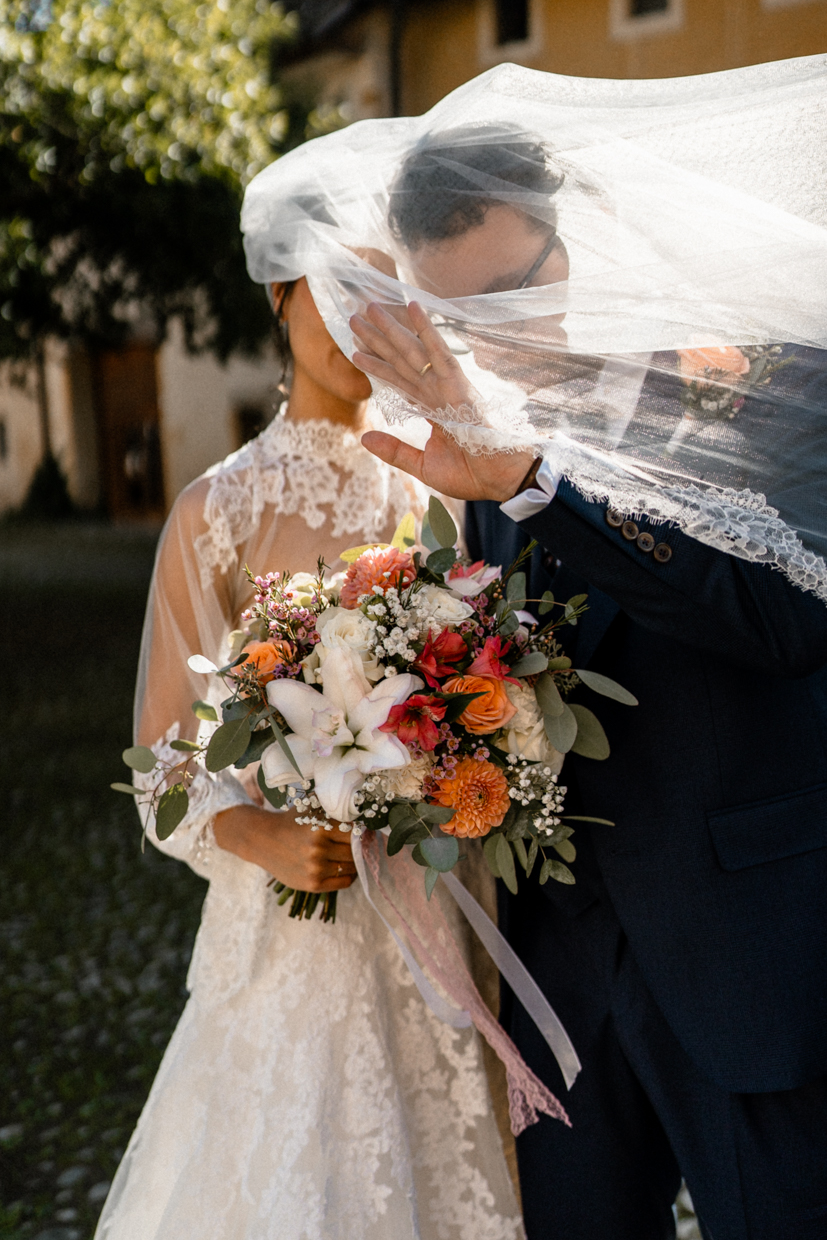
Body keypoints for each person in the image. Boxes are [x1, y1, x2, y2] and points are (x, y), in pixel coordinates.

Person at [352, 130, 827, 1240]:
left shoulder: (767, 381)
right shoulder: (479, 434)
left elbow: (784, 619)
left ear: (583, 241)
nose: (492, 344)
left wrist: (537, 486)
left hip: (745, 951)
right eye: (458, 319)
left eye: (511, 295)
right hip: (565, 976)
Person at [94, 274, 525, 1240]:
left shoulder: (440, 493)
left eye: (381, 293)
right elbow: (158, 764)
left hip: (431, 917)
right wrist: (257, 833)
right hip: (295, 933)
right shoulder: (219, 511)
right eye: (333, 292)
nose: (357, 323)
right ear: (281, 297)